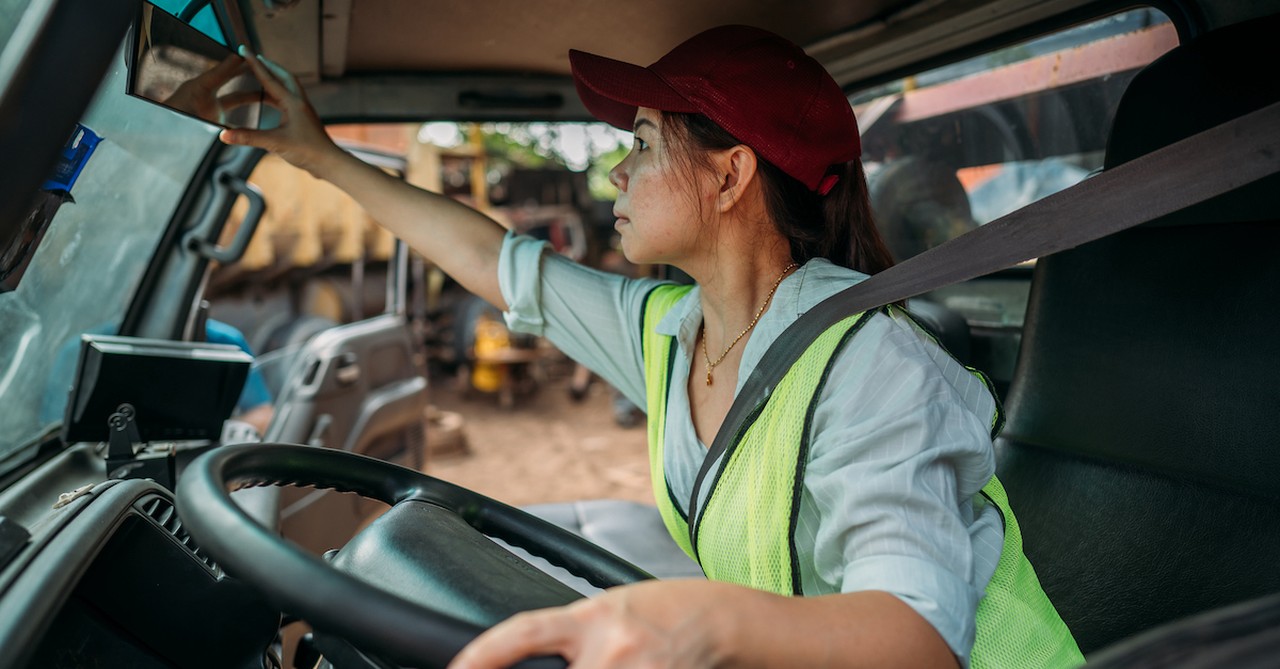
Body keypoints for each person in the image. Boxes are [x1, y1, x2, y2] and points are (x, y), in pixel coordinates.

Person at [221, 25, 1083, 669]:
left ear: (729, 174)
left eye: (638, 143)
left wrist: (698, 621)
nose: (614, 175)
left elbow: (918, 638)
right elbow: (491, 259)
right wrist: (320, 158)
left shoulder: (874, 366)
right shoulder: (672, 329)